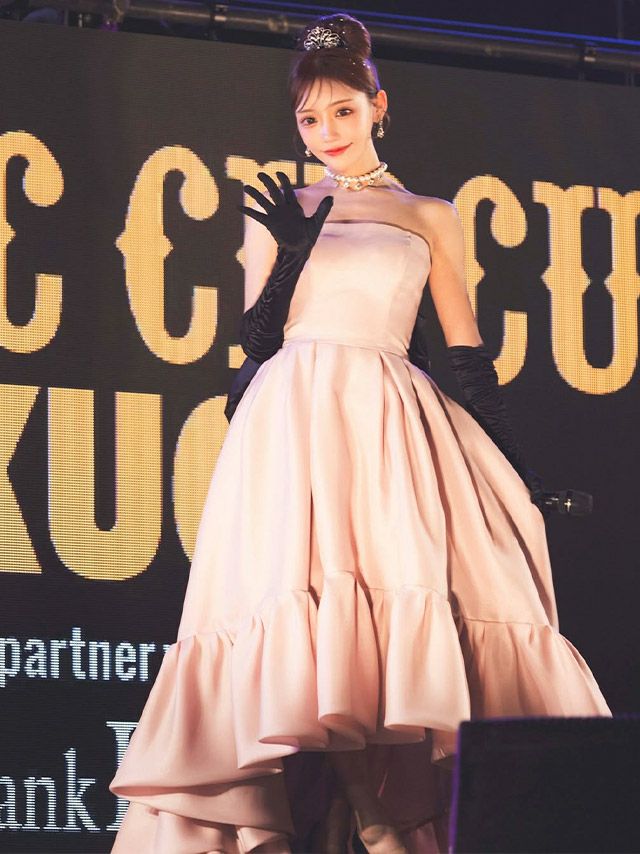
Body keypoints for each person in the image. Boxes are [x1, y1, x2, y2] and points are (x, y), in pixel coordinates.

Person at [110, 12, 612, 854]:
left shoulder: (429, 215)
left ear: (379, 105)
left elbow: (466, 357)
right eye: (310, 118)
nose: (326, 132)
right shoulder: (285, 208)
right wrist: (291, 254)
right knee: (310, 624)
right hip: (291, 426)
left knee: (383, 625)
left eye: (343, 111)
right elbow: (255, 345)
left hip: (385, 426)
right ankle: (370, 822)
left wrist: (519, 474)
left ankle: (386, 821)